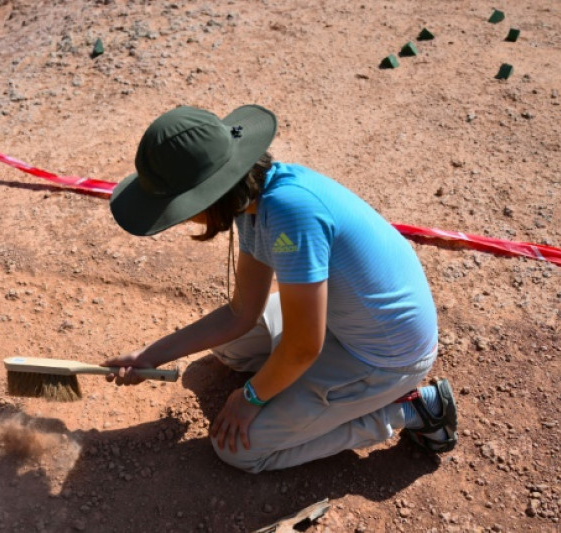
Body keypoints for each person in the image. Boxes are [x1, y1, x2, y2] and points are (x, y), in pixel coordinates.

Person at [102, 104, 458, 473]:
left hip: (382, 357)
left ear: (210, 194)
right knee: (229, 346)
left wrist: (251, 398)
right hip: (336, 324)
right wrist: (150, 355)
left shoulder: (290, 215)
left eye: (178, 207)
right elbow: (242, 313)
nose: (181, 218)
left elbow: (304, 346)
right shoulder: (255, 201)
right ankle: (300, 394)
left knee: (239, 450)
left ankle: (412, 408)